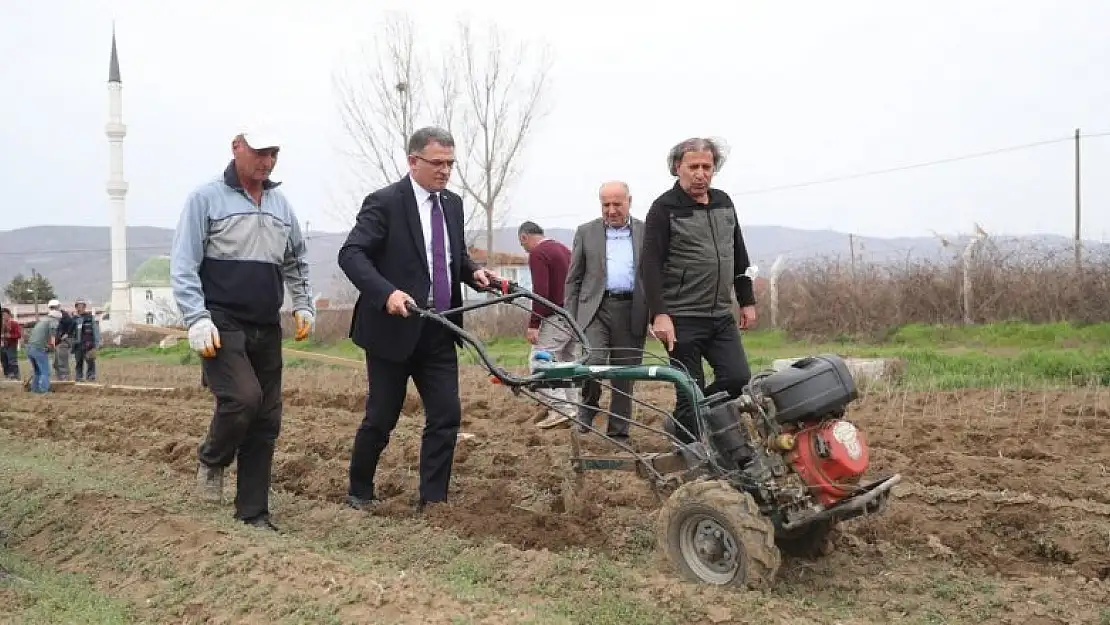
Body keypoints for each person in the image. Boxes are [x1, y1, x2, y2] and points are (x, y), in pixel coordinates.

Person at [338, 126, 497, 512]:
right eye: (437, 163)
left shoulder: (453, 205)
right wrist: (387, 293)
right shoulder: (385, 203)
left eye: (450, 164)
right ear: (413, 162)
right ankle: (359, 491)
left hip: (439, 327)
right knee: (382, 417)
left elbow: (450, 258)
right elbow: (352, 254)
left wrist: (473, 272)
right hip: (393, 329)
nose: (444, 171)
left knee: (446, 415)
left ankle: (433, 500)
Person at [170, 126, 315, 531]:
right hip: (221, 322)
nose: (266, 162)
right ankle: (212, 458)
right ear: (236, 147)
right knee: (243, 399)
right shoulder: (206, 198)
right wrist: (195, 317)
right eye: (259, 153)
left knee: (267, 419)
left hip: (266, 323)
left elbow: (297, 261)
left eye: (274, 154)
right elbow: (183, 264)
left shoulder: (281, 205)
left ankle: (253, 513)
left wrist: (302, 304)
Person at [639, 137, 758, 445]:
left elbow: (739, 254)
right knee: (689, 389)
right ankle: (697, 452)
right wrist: (659, 314)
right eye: (693, 167)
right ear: (678, 168)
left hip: (720, 315)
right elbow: (650, 266)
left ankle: (681, 422)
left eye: (707, 167)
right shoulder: (663, 208)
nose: (700, 173)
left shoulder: (724, 202)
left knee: (738, 378)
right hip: (681, 318)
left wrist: (746, 300)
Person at [564, 181, 649, 442]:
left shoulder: (647, 232)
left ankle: (619, 431)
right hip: (595, 309)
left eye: (617, 204)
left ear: (629, 202)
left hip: (632, 310)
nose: (611, 210)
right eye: (606, 205)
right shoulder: (586, 232)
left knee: (625, 374)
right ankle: (588, 408)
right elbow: (574, 278)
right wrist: (571, 316)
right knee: (593, 363)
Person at [518, 221, 578, 429]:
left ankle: (562, 408)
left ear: (524, 237)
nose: (524, 249)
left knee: (538, 363)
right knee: (566, 365)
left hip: (555, 317)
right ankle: (575, 410)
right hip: (574, 317)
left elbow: (541, 292)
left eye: (522, 244)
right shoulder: (563, 249)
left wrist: (534, 323)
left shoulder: (538, 253)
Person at [25, 309, 61, 393]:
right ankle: (44, 390)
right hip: (38, 349)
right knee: (46, 371)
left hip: (30, 348)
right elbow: (53, 335)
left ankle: (35, 389)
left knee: (37, 371)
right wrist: (52, 346)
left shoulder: (41, 321)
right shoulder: (53, 321)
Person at [72, 298, 100, 381]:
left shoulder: (90, 318)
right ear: (76, 307)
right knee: (78, 362)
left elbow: (96, 331)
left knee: (90, 361)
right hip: (77, 344)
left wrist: (96, 344)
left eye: (82, 306)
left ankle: (91, 376)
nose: (80, 308)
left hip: (89, 344)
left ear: (84, 307)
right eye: (78, 306)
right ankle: (79, 376)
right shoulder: (73, 319)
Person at [49, 299, 74, 381]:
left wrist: (66, 334)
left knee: (62, 361)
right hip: (56, 342)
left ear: (58, 306)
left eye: (55, 307)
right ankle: (59, 378)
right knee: (56, 362)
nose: (54, 308)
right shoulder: (52, 316)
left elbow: (72, 324)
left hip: (63, 341)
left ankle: (65, 378)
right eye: (52, 307)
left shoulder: (64, 315)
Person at [1, 308, 22, 379]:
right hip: (2, 345)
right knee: (4, 362)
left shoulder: (14, 324)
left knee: (12, 361)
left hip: (11, 345)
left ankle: (16, 376)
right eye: (2, 315)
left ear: (9, 315)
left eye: (5, 315)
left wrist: (10, 336)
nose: (3, 316)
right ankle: (8, 376)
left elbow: (19, 335)